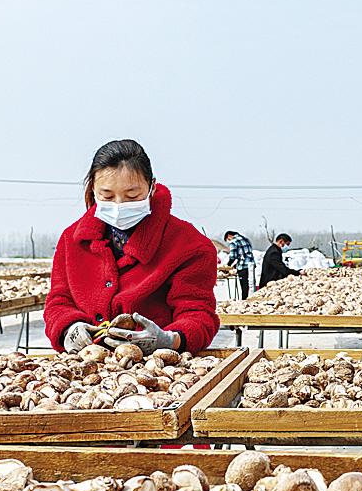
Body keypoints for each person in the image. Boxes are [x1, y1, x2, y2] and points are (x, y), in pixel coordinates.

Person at [45, 139, 220, 354]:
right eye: (107, 196)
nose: (119, 205)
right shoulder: (72, 240)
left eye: (132, 196)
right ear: (92, 189)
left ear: (152, 187)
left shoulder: (190, 245)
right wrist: (68, 327)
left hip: (159, 370)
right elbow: (58, 301)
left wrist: (169, 340)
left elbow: (197, 313)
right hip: (86, 366)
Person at [223, 230, 256, 299]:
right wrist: (235, 265)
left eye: (228, 239)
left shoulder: (234, 241)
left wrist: (227, 266)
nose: (229, 241)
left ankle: (244, 301)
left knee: (244, 286)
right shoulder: (246, 239)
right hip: (251, 265)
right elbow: (244, 254)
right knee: (251, 285)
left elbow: (233, 256)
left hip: (243, 266)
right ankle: (250, 299)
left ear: (229, 236)